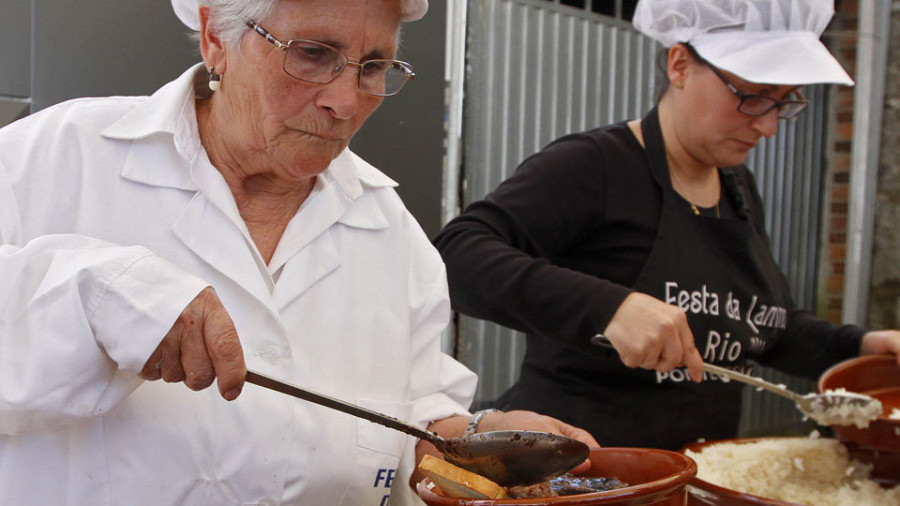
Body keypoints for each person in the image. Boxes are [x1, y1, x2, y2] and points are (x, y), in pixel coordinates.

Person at [0, 0, 597, 504]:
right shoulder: (53, 159)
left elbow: (412, 413)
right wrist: (97, 293)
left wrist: (472, 437)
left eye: (374, 66)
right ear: (216, 37)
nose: (346, 100)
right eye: (312, 54)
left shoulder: (394, 240)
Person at [433, 0, 900, 451]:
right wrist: (610, 308)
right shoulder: (595, 165)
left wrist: (859, 344)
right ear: (679, 65)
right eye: (753, 97)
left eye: (783, 103)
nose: (769, 127)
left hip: (692, 474)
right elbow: (456, 255)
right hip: (579, 472)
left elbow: (757, 325)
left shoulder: (738, 186)